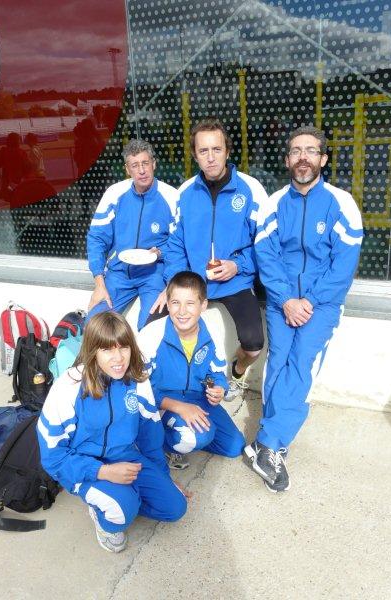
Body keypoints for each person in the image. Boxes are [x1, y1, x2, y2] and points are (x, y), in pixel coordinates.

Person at [245, 125, 364, 493]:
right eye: (296, 151)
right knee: (277, 363)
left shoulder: (342, 204)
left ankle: (267, 443)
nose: (303, 157)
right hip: (282, 302)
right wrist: (287, 300)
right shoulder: (273, 204)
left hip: (321, 305)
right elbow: (266, 256)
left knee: (301, 364)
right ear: (287, 160)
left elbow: (343, 265)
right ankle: (273, 441)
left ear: (323, 159)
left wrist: (308, 302)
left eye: (311, 151)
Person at [37, 311, 187, 553]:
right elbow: (52, 458)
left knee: (175, 507)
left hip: (125, 456)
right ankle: (106, 515)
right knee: (121, 511)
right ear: (92, 351)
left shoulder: (137, 379)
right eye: (107, 349)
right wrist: (103, 472)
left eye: (124, 347)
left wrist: (164, 478)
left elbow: (150, 438)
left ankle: (125, 497)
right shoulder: (68, 386)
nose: (119, 358)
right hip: (84, 465)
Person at [151, 118, 268, 398]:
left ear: (227, 151)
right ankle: (162, 386)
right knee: (151, 326)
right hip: (193, 281)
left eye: (217, 149)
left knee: (254, 344)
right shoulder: (186, 192)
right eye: (203, 151)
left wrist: (237, 265)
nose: (211, 157)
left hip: (235, 282)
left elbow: (264, 245)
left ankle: (235, 372)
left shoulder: (251, 189)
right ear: (195, 155)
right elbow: (175, 244)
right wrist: (175, 284)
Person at [139, 271, 245, 470]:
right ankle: (158, 443)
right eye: (175, 303)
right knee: (195, 437)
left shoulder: (211, 332)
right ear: (167, 303)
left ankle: (189, 433)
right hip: (162, 401)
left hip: (198, 398)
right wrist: (179, 407)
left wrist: (219, 389)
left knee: (234, 446)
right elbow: (138, 389)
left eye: (190, 303)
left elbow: (216, 374)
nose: (182, 311)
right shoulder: (151, 335)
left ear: (203, 305)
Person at [87, 139, 178, 330]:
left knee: (149, 328)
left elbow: (180, 244)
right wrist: (99, 283)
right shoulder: (114, 193)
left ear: (154, 164)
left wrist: (160, 253)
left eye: (145, 163)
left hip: (154, 274)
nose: (142, 170)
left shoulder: (171, 196)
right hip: (119, 273)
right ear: (127, 169)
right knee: (94, 326)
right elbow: (96, 238)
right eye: (135, 165)